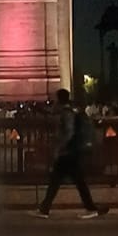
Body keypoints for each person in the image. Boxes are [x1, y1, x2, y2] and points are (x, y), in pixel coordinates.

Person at [32, 88, 100, 219]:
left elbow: (68, 132)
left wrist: (59, 147)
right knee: (68, 180)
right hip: (71, 151)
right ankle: (45, 208)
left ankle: (45, 209)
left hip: (68, 151)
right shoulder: (70, 109)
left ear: (59, 99)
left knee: (60, 180)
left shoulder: (66, 112)